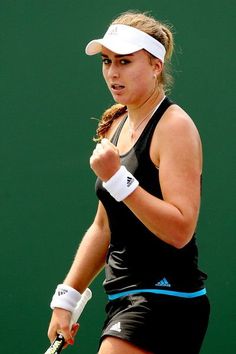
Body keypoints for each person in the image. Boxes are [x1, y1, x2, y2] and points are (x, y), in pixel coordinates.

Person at [47, 11, 210, 354]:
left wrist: (119, 178)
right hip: (122, 297)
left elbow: (181, 230)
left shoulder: (174, 128)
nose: (112, 73)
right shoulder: (115, 123)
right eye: (107, 61)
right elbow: (104, 225)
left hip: (166, 299)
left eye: (124, 61)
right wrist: (67, 297)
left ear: (155, 66)